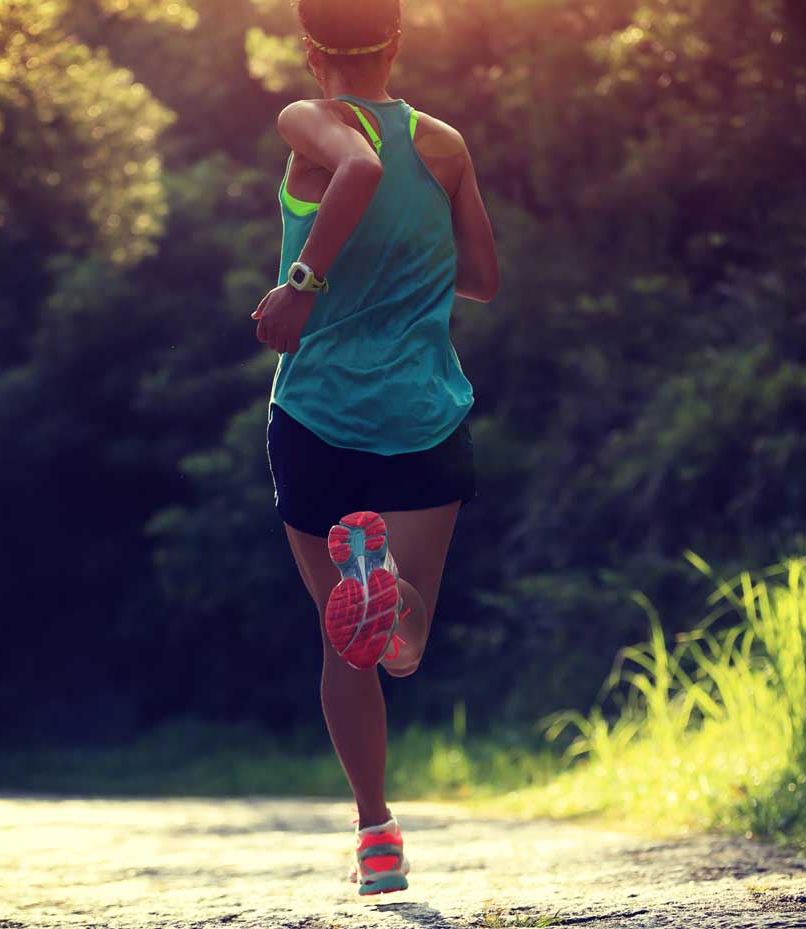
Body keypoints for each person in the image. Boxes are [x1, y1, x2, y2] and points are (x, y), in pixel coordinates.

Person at [252, 0, 499, 898]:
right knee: (407, 636)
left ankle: (376, 834)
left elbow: (354, 164)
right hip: (422, 412)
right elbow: (483, 277)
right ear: (397, 42)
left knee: (340, 644)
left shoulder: (308, 121)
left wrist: (305, 283)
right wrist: (412, 257)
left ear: (310, 49)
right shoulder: (444, 143)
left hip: (316, 413)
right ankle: (393, 605)